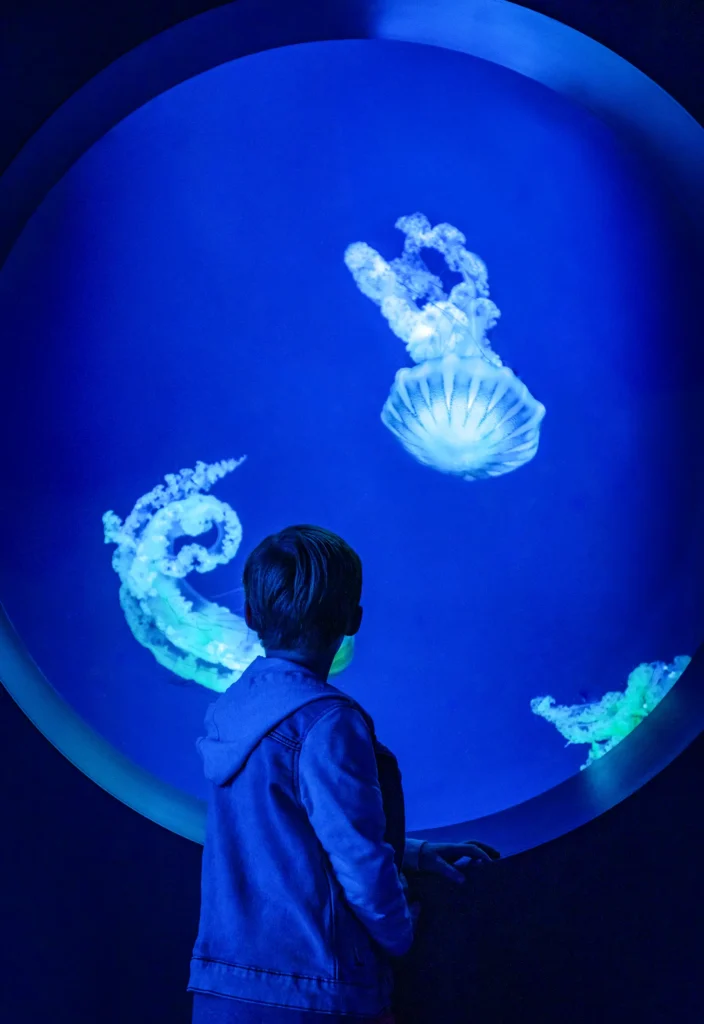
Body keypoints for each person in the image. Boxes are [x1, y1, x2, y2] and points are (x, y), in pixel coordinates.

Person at [189, 525, 498, 1023]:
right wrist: (400, 934)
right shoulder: (327, 721)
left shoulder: (230, 711)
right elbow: (357, 856)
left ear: (249, 614)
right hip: (313, 993)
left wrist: (411, 852)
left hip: (225, 989)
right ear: (353, 620)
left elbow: (285, 830)